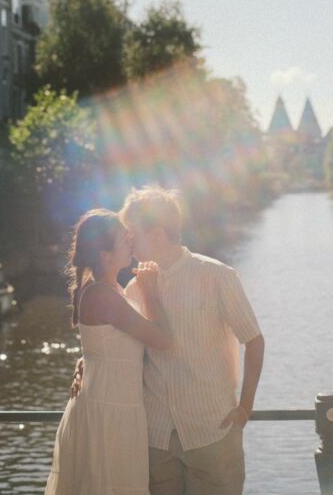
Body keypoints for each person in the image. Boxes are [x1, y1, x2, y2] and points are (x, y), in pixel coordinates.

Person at [121, 186, 264, 495]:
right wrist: (84, 366)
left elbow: (254, 340)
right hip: (156, 437)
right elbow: (120, 350)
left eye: (133, 234)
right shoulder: (134, 287)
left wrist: (245, 408)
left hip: (212, 430)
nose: (127, 242)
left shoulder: (217, 276)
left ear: (157, 234)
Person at [44, 208, 172, 495]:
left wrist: (83, 362)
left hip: (116, 405)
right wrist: (150, 291)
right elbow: (163, 339)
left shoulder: (112, 288)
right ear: (104, 254)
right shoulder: (102, 295)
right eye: (122, 238)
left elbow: (105, 345)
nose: (130, 241)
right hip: (107, 413)